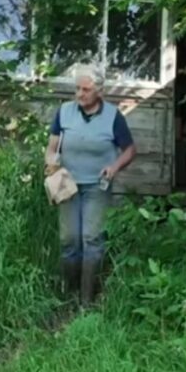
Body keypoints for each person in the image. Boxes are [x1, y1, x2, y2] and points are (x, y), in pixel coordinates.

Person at [44, 64, 137, 305]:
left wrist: (114, 167)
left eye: (85, 89)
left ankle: (87, 300)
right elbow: (52, 148)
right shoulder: (64, 112)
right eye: (77, 89)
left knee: (91, 238)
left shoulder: (113, 116)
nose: (80, 94)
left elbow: (130, 150)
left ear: (99, 91)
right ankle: (68, 295)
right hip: (67, 186)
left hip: (98, 185)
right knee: (69, 239)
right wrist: (51, 163)